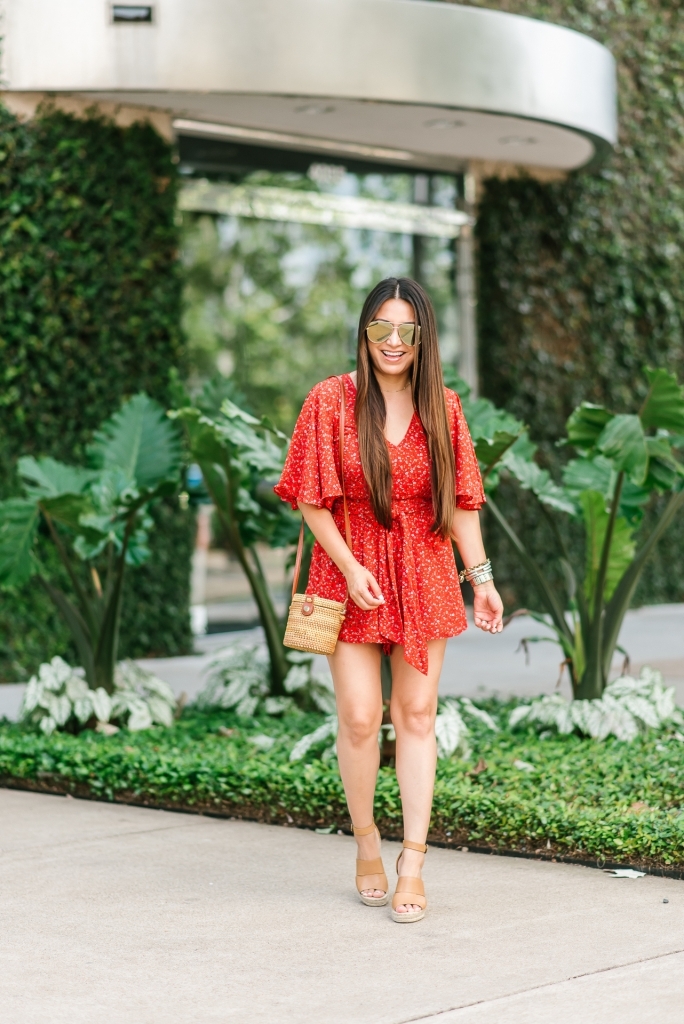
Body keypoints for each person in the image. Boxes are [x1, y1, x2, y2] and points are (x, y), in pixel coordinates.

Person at [275, 277, 504, 923]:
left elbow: (462, 506)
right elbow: (309, 498)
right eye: (382, 327)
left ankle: (412, 860)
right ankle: (366, 843)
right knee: (356, 715)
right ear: (364, 332)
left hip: (422, 568)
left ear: (423, 337)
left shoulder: (444, 409)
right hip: (345, 569)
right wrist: (348, 567)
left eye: (407, 329)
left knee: (418, 713)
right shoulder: (329, 400)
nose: (394, 341)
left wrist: (481, 579)